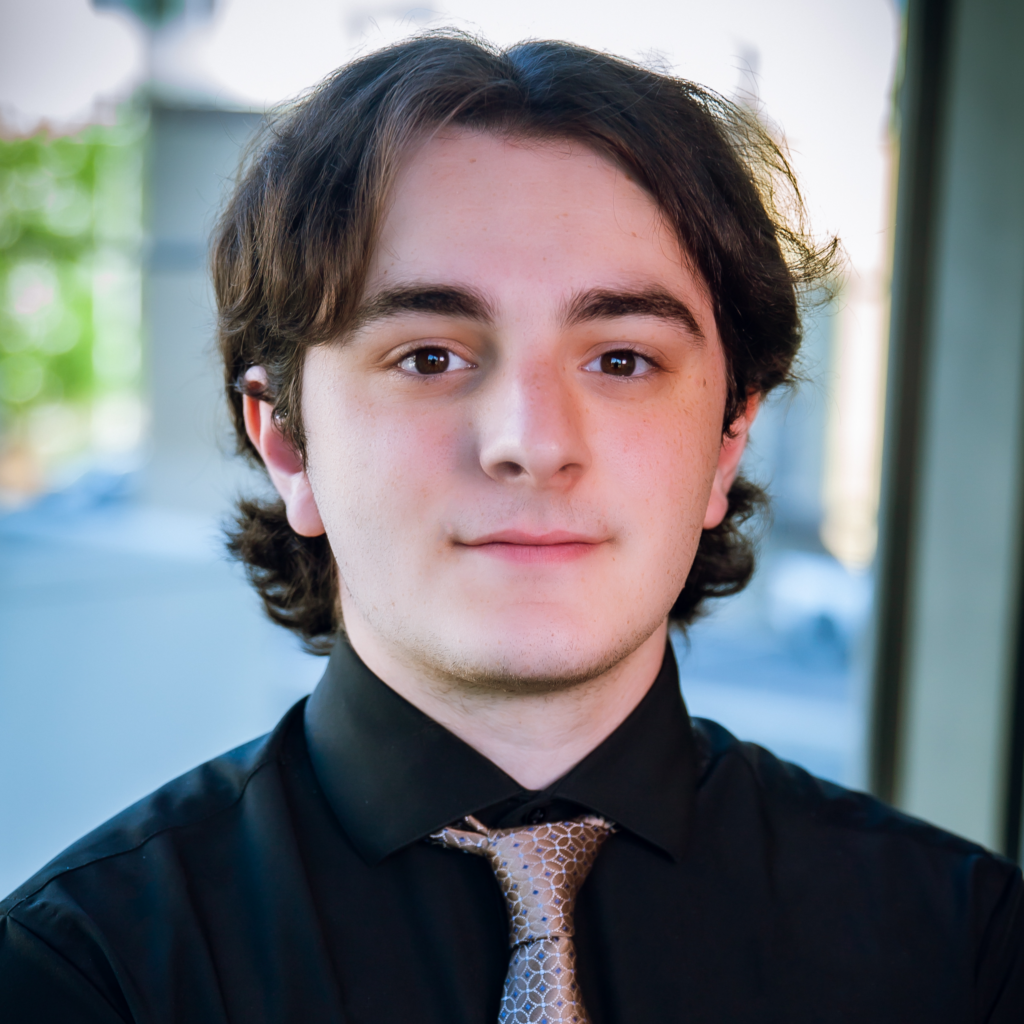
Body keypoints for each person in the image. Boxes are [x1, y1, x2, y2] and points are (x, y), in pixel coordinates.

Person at [1, 32, 1021, 1024]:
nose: (533, 443)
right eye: (430, 357)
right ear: (287, 444)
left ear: (727, 441)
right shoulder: (78, 976)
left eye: (621, 359)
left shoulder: (967, 954)